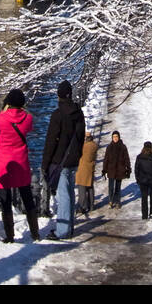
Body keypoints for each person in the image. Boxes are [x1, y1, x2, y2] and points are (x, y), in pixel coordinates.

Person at [0, 89, 39, 243]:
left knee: (5, 201)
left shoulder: (1, 118)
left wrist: (4, 111)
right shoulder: (28, 118)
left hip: (4, 163)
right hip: (21, 162)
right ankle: (35, 233)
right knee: (27, 197)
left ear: (8, 103)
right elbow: (29, 127)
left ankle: (10, 236)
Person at [41, 80, 86, 240]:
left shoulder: (58, 115)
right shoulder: (78, 113)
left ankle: (62, 230)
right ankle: (69, 226)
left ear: (59, 95)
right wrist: (78, 153)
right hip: (73, 158)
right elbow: (81, 136)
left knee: (63, 195)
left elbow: (51, 141)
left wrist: (45, 164)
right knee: (69, 192)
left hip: (60, 160)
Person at [101, 131, 131, 209]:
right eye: (114, 137)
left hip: (120, 170)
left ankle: (117, 201)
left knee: (118, 187)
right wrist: (104, 169)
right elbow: (106, 159)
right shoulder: (109, 147)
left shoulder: (123, 147)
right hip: (111, 170)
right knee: (111, 187)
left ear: (119, 137)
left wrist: (128, 168)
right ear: (112, 138)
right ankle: (111, 200)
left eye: (116, 136)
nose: (115, 138)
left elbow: (126, 158)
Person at [134, 141, 152, 219]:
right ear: (151, 148)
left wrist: (138, 179)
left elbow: (136, 169)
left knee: (144, 197)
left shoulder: (139, 157)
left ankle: (144, 215)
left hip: (143, 180)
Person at [75, 132, 99, 215]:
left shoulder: (84, 146)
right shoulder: (94, 145)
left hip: (82, 169)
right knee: (90, 187)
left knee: (82, 188)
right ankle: (91, 205)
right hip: (90, 168)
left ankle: (82, 206)